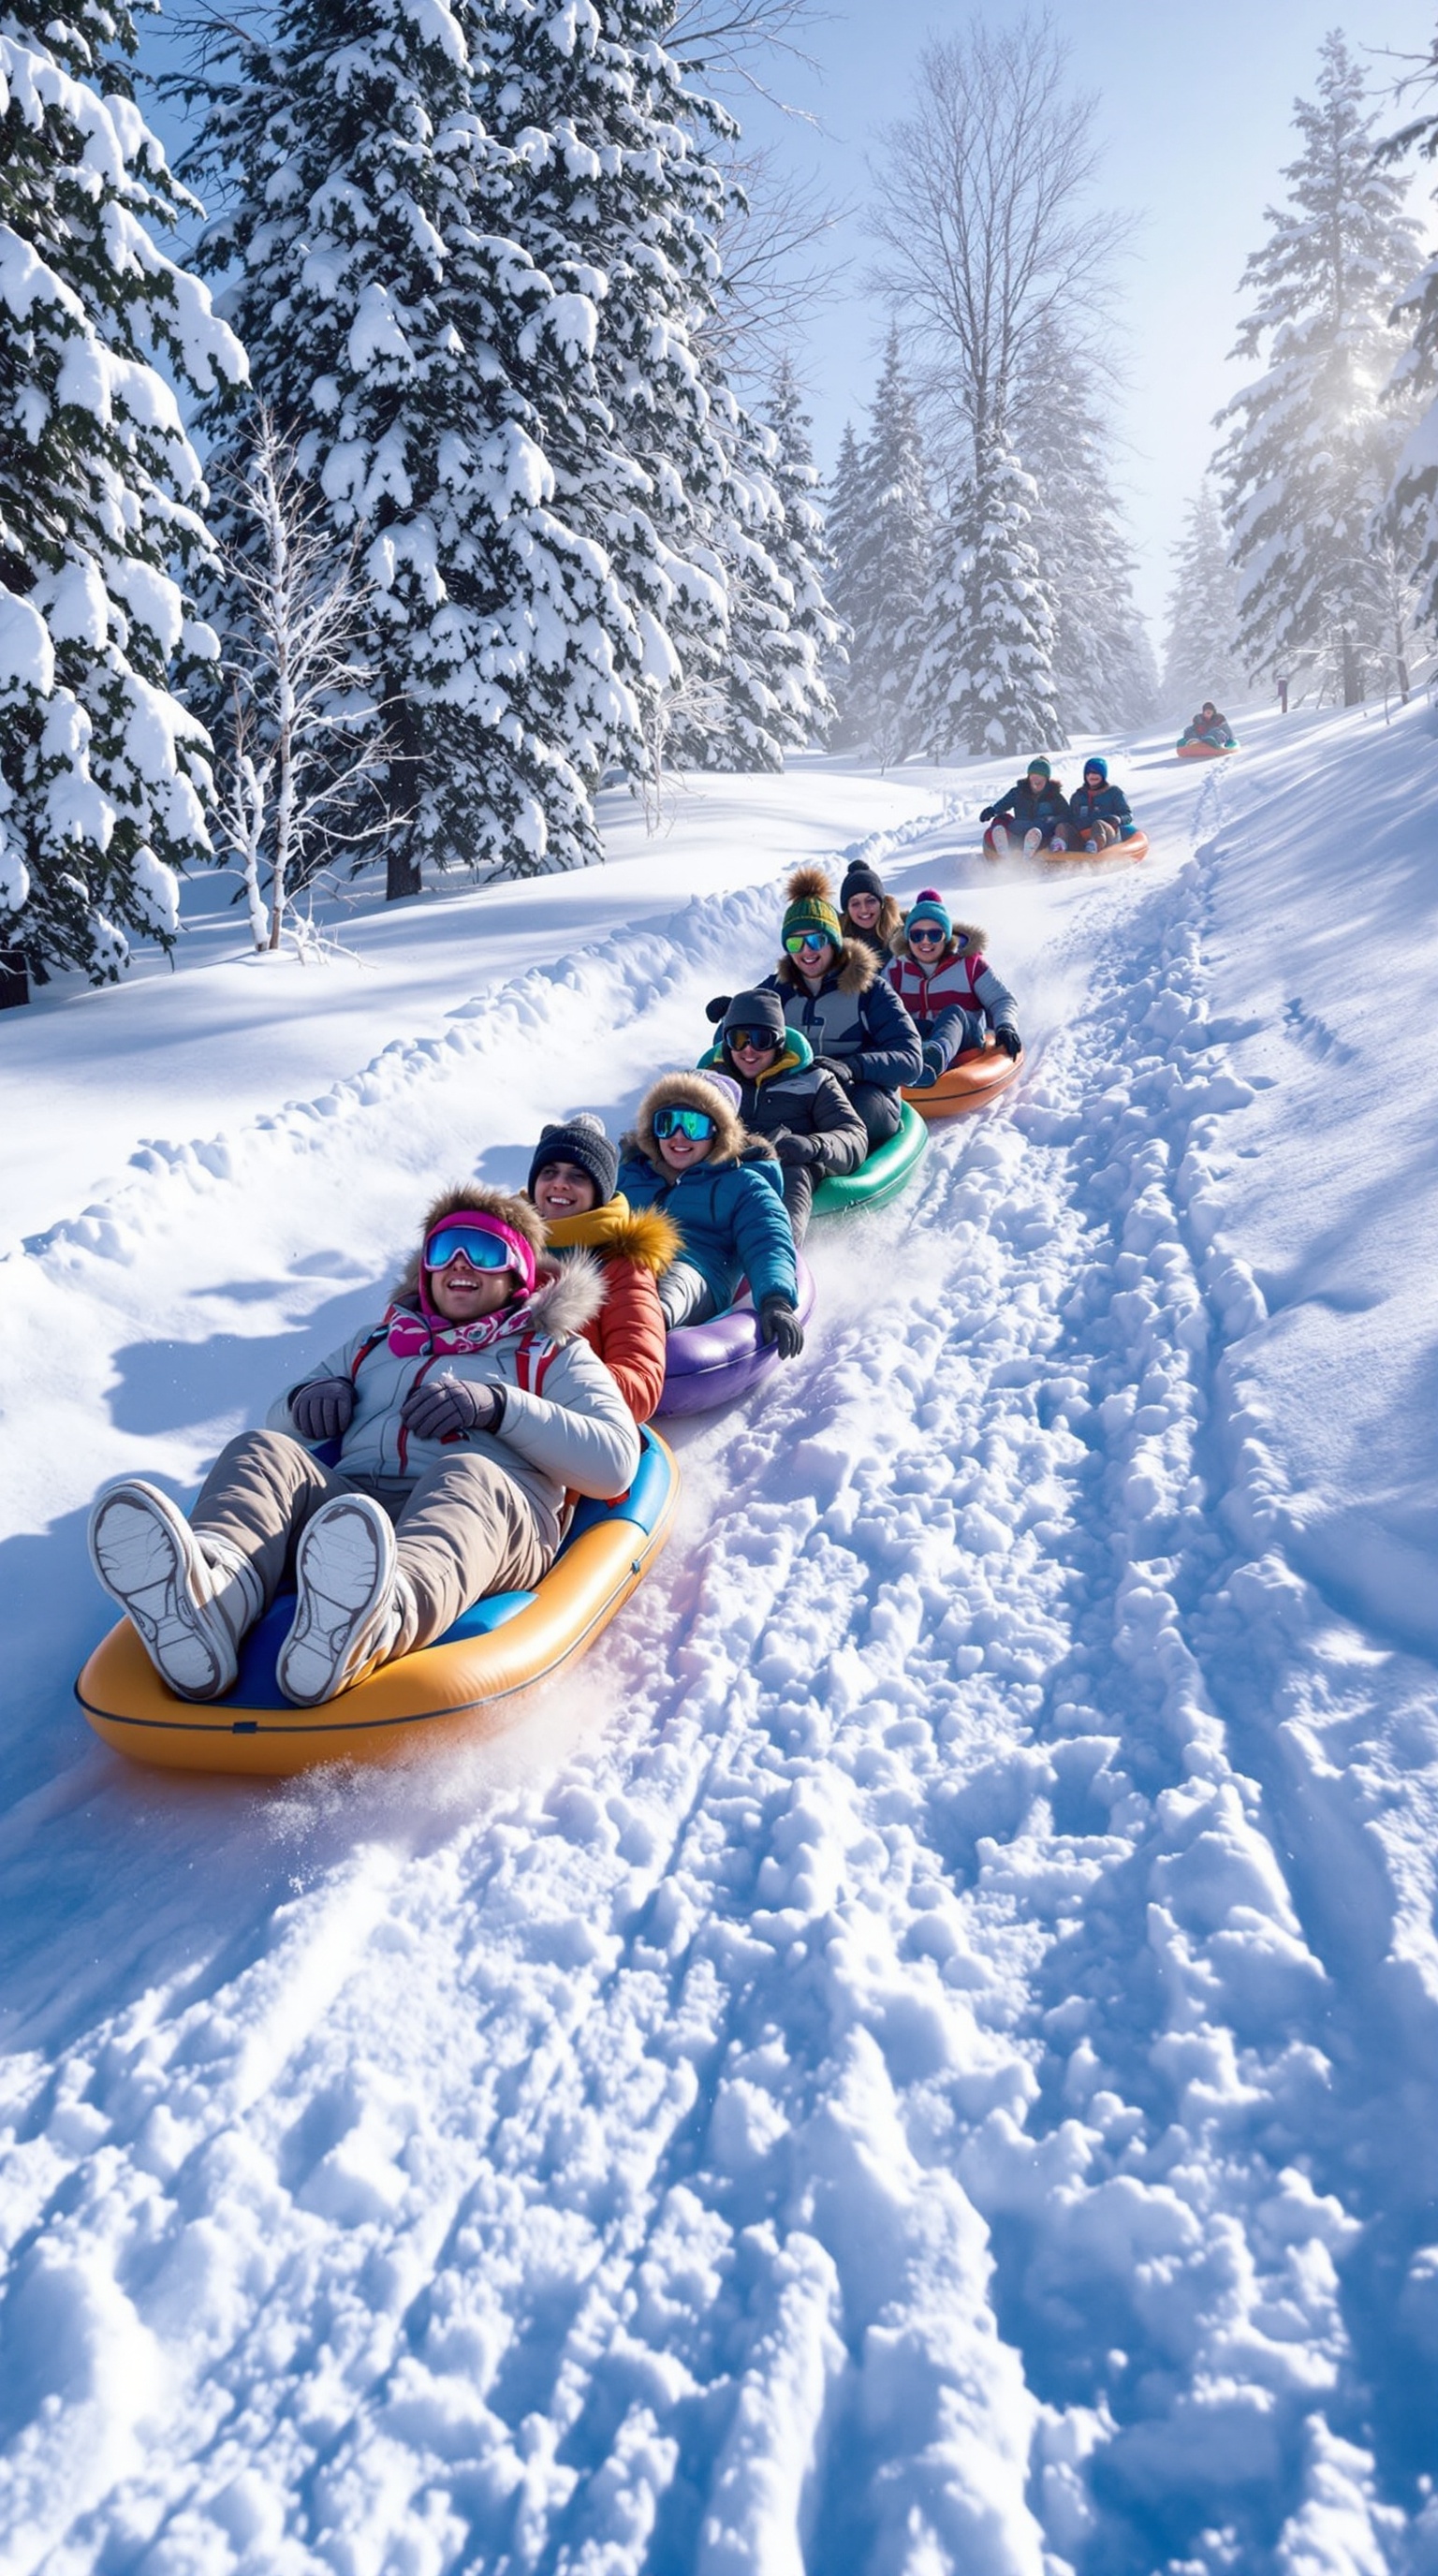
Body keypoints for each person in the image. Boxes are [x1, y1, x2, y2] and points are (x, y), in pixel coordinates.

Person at [86, 1189, 640, 1708]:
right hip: (357, 1511)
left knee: (466, 1472)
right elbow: (280, 1424)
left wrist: (501, 1407)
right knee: (260, 1451)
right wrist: (313, 1395)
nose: (461, 1264)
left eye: (486, 1251)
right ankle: (212, 1601)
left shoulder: (550, 1353)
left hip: (493, 1518)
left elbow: (615, 1463)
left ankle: (374, 1621)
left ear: (518, 1270)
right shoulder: (374, 1344)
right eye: (446, 1248)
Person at [709, 868, 922, 1151]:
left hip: (856, 1092)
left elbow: (910, 1059)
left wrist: (852, 1066)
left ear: (833, 941)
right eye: (796, 942)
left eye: (816, 940)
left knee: (863, 1109)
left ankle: (818, 1158)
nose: (807, 951)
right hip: (797, 1094)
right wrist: (734, 1016)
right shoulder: (777, 991)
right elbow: (727, 1045)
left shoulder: (871, 991)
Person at [616, 1070, 803, 1355]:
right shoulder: (630, 1175)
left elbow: (767, 1241)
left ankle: (636, 1342)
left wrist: (776, 1299)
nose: (678, 1136)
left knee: (671, 1285)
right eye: (667, 1123)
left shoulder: (744, 1184)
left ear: (718, 1132)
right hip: (620, 1265)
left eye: (693, 1125)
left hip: (695, 1272)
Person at [526, 1113, 679, 1424]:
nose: (559, 1183)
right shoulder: (495, 1246)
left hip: (559, 1427)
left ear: (600, 1192)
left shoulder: (622, 1264)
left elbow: (640, 1382)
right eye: (549, 1171)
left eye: (578, 1176)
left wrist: (532, 1383)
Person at [698, 989, 867, 1243]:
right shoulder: (710, 1081)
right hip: (725, 1166)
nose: (749, 1050)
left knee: (792, 1170)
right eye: (739, 1039)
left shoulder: (814, 1080)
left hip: (786, 1167)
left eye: (761, 1039)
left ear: (778, 1041)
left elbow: (854, 1135)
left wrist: (814, 1145)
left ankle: (779, 1253)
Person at [886, 891, 1021, 1085]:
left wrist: (1005, 1026)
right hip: (918, 1040)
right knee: (905, 1021)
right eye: (917, 935)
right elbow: (877, 1007)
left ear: (946, 936)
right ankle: (910, 1062)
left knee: (953, 1013)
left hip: (966, 1042)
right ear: (908, 939)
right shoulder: (896, 969)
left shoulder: (969, 964)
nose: (925, 941)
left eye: (934, 934)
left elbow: (1001, 1000)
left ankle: (934, 1056)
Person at [979, 757, 1071, 856]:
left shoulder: (1054, 796)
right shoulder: (1018, 792)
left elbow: (1067, 815)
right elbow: (1003, 804)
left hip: (1042, 832)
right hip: (1019, 829)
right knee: (1001, 819)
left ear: (1046, 779)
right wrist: (992, 810)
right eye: (1033, 777)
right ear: (1029, 777)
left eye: (1040, 778)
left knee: (1045, 830)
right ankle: (1003, 847)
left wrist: (1052, 820)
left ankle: (1030, 846)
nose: (1036, 781)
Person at [1051, 756, 1135, 853]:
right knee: (1062, 826)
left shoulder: (1114, 793)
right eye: (1089, 773)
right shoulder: (1078, 796)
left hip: (1108, 837)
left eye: (1096, 773)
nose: (1092, 776)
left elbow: (1128, 815)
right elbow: (1070, 817)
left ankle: (1094, 848)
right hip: (1081, 837)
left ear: (1103, 775)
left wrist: (1118, 819)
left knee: (1098, 824)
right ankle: (1058, 848)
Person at [838, 859, 903, 964]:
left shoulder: (904, 940)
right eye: (855, 903)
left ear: (881, 904)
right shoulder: (837, 946)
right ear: (847, 909)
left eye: (870, 901)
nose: (864, 909)